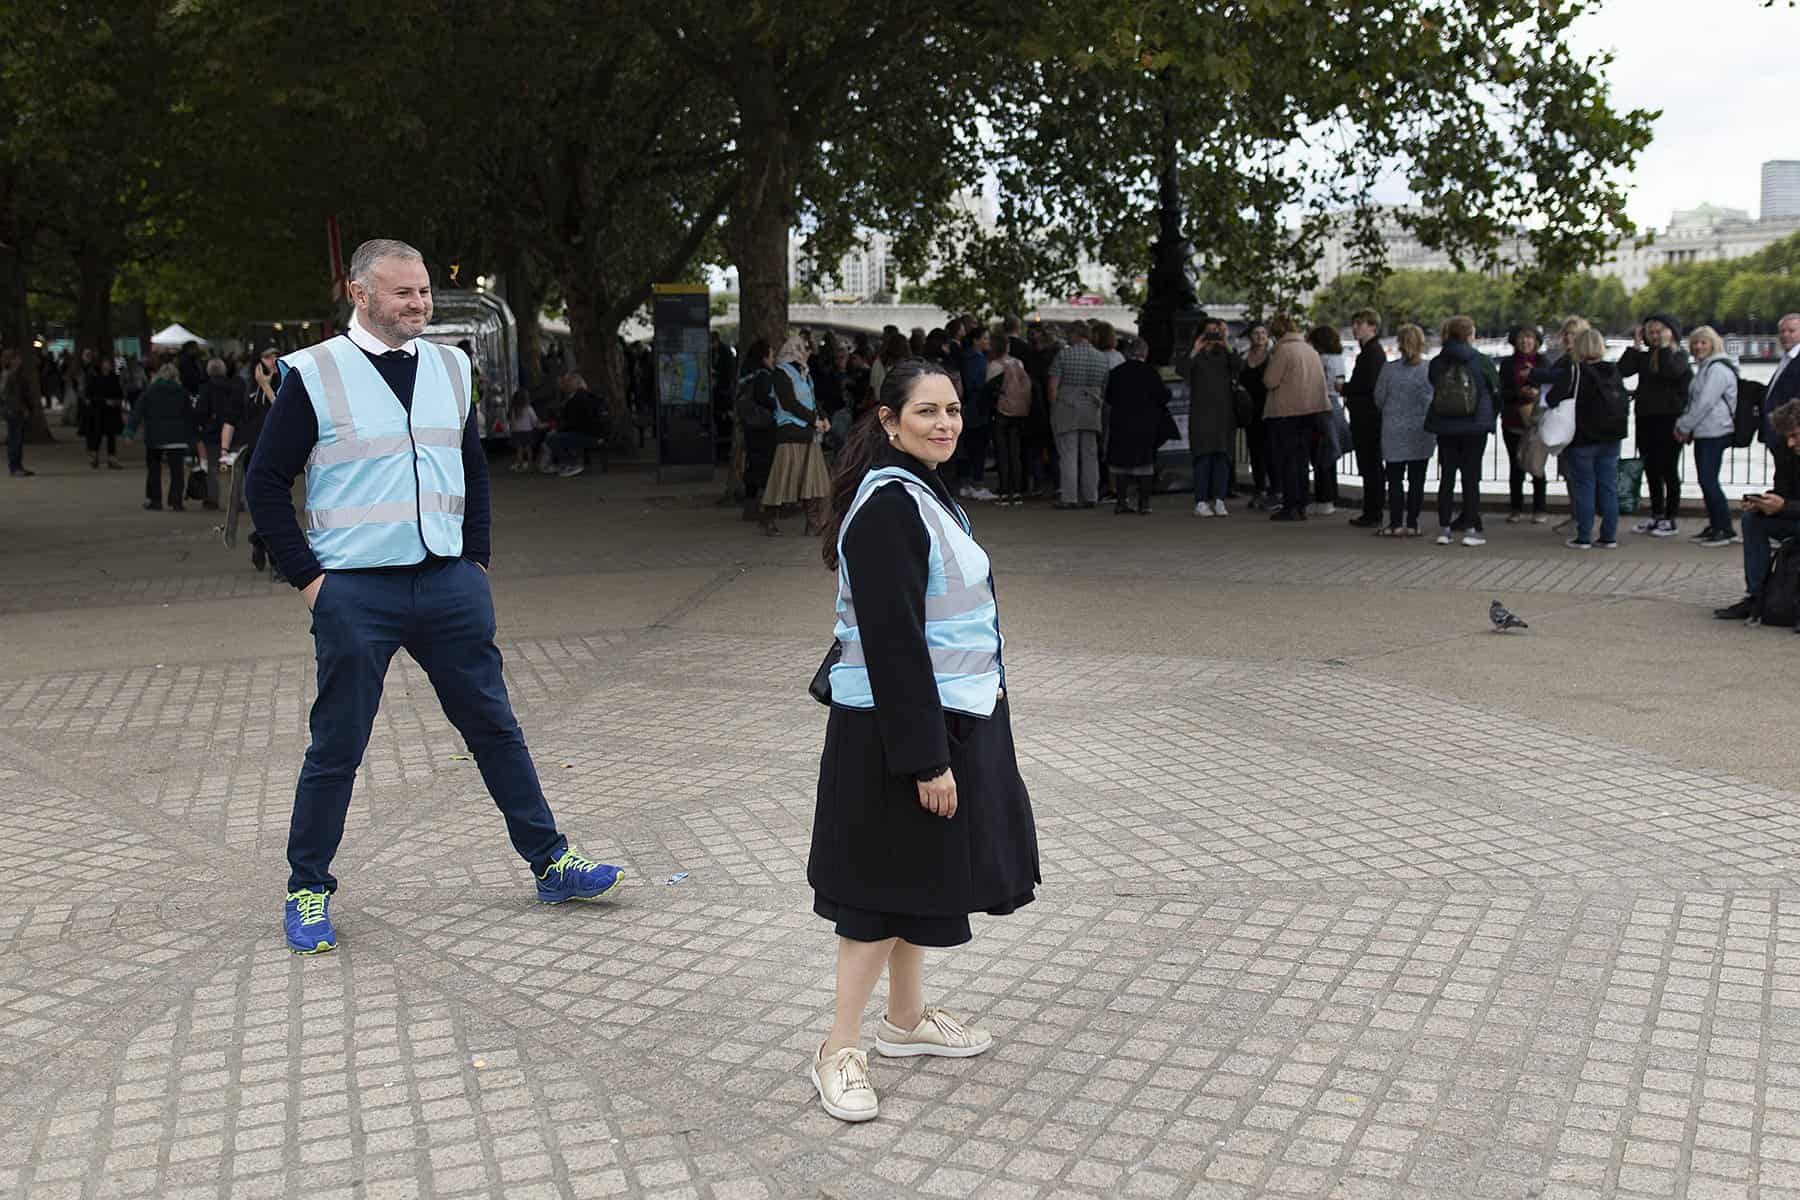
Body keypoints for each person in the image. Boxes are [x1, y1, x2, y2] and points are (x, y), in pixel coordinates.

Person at [245, 238, 622, 955]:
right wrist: (311, 582)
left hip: (448, 583)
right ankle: (306, 888)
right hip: (354, 591)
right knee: (338, 746)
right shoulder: (314, 373)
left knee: (495, 727)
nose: (419, 304)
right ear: (360, 295)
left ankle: (552, 863)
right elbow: (263, 483)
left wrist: (475, 561)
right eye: (402, 293)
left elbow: (471, 466)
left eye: (422, 292)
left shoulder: (451, 366)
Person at [807, 357, 1039, 1124]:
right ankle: (839, 1049)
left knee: (914, 879)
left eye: (953, 410)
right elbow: (896, 642)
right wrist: (927, 758)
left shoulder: (919, 492)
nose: (944, 424)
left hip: (945, 718)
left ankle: (904, 1023)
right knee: (875, 896)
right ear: (888, 419)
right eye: (926, 412)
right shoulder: (888, 509)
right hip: (896, 731)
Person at [1715, 398, 1800, 623]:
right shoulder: (1786, 451)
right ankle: (1756, 596)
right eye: (1787, 436)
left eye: (1795, 435)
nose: (1791, 443)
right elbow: (1783, 491)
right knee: (1753, 520)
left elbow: (1787, 502)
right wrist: (1763, 503)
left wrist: (1785, 506)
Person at [1546, 327, 1628, 550]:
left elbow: (1553, 398)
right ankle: (1608, 536)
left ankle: (1584, 536)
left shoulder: (1576, 373)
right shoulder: (1613, 371)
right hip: (1612, 437)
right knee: (1608, 486)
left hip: (1583, 437)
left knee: (1584, 486)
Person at [1424, 315, 1498, 547]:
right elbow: (1495, 390)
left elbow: (1433, 384)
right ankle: (1470, 530)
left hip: (1445, 426)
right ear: (1469, 335)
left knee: (1447, 477)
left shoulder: (1437, 362)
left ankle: (1444, 529)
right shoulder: (1482, 361)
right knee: (1471, 478)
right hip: (1474, 427)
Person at [1617, 315, 1691, 536]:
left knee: (1669, 468)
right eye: (1652, 332)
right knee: (1651, 468)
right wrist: (1636, 346)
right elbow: (1622, 370)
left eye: (1660, 331)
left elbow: (1671, 372)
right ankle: (1656, 514)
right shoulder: (1646, 356)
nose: (1656, 336)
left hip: (1669, 419)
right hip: (1647, 418)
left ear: (1671, 332)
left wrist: (1667, 347)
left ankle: (1671, 517)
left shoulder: (1679, 356)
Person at [1674, 325, 1740, 548]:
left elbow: (1705, 402)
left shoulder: (1717, 370)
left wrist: (1684, 425)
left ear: (1713, 343)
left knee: (1709, 480)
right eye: (1695, 343)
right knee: (1706, 480)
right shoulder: (1707, 368)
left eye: (1704, 342)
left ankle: (1725, 528)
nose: (1698, 347)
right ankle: (1716, 524)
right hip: (1706, 430)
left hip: (1715, 430)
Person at [762, 334, 832, 535]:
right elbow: (789, 403)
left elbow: (812, 398)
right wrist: (814, 420)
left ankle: (812, 523)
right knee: (781, 477)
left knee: (812, 477)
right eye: (805, 348)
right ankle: (769, 520)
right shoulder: (781, 373)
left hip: (808, 432)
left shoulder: (804, 372)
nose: (808, 352)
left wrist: (823, 417)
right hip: (790, 431)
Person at [1260, 315, 1328, 522]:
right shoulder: (1309, 349)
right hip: (1309, 411)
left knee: (1288, 459)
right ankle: (1302, 505)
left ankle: (1290, 506)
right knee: (1302, 459)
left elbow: (1270, 381)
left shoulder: (1283, 350)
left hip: (1286, 412)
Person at [222, 347, 282, 575]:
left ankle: (266, 548)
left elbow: (282, 412)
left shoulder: (283, 380)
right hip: (251, 455)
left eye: (276, 355)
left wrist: (266, 385)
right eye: (268, 356)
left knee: (274, 507)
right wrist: (224, 450)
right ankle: (269, 553)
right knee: (263, 507)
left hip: (277, 454)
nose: (273, 360)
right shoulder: (242, 386)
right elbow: (230, 420)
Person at [1374, 323, 1435, 537]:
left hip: (1393, 430)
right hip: (1421, 431)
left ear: (1399, 343)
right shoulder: (1429, 369)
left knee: (1395, 480)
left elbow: (1379, 399)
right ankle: (1413, 523)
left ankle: (1395, 523)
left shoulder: (1389, 370)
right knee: (1417, 480)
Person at [1104, 337, 1171, 515]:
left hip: (1121, 422)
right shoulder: (1151, 373)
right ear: (1145, 353)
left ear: (1127, 353)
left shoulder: (1116, 373)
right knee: (1144, 465)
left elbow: (1108, 397)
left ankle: (1121, 501)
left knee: (1121, 464)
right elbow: (1163, 397)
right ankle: (1144, 503)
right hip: (1145, 423)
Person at [1046, 321, 1107, 509]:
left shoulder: (1064, 355)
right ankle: (1091, 496)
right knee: (1090, 455)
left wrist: (1053, 407)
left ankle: (1069, 497)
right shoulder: (1101, 358)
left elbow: (1053, 387)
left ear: (1075, 334)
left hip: (1067, 407)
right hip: (1092, 409)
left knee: (1068, 455)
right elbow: (1104, 387)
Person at [1187, 323, 1239, 517]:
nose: (1212, 336)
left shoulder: (1224, 355)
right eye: (1208, 332)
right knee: (1202, 457)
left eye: (1215, 332)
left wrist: (1226, 344)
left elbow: (1238, 367)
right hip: (1201, 414)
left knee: (1222, 458)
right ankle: (1200, 500)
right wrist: (1195, 349)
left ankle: (1219, 499)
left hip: (1223, 414)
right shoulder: (1197, 355)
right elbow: (1182, 370)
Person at [127, 363, 196, 510]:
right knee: (177, 471)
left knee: (154, 468)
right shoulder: (182, 392)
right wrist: (192, 437)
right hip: (178, 437)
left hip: (155, 435)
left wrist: (130, 431)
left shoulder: (150, 391)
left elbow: (137, 411)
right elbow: (190, 416)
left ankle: (155, 499)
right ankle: (176, 501)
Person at [1498, 326, 1548, 523]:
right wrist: (1520, 394)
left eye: (1529, 337)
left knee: (1537, 465)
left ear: (1536, 341)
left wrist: (1536, 392)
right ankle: (1516, 508)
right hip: (1513, 420)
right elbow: (1502, 392)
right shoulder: (1508, 364)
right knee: (1515, 465)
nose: (1526, 341)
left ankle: (1539, 509)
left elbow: (1551, 389)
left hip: (1537, 422)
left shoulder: (1544, 363)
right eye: (1522, 338)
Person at [1342, 310, 1387, 527]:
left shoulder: (1372, 353)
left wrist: (1345, 388)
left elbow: (1367, 385)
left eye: (1360, 323)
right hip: (1367, 417)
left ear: (1372, 327)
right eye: (1355, 323)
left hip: (1368, 418)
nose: (1355, 327)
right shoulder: (1370, 352)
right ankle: (1372, 509)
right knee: (1371, 464)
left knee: (1371, 464)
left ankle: (1373, 510)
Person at [986, 327, 1031, 506]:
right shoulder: (1018, 363)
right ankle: (1017, 491)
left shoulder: (994, 366)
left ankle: (1004, 492)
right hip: (1019, 411)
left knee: (1002, 452)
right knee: (1015, 452)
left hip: (1001, 412)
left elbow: (987, 390)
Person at [1307, 325, 1346, 516]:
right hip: (1335, 405)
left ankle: (1324, 497)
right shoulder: (1339, 359)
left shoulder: (1318, 360)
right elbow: (1340, 383)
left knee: (1320, 453)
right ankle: (1331, 496)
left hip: (1320, 405)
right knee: (1330, 452)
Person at [192, 358, 240, 509]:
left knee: (212, 468)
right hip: (232, 430)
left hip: (212, 431)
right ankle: (239, 500)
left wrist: (201, 424)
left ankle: (212, 498)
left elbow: (201, 411)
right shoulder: (233, 386)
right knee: (237, 468)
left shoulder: (205, 388)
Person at [956, 326, 996, 501]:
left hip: (970, 407)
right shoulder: (976, 359)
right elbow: (976, 384)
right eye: (985, 338)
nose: (988, 341)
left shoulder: (967, 357)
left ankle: (966, 483)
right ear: (976, 340)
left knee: (968, 447)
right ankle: (977, 484)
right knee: (977, 447)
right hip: (977, 407)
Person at [1239, 324, 1273, 508]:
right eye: (1256, 333)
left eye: (1263, 333)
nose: (1260, 337)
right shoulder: (1244, 357)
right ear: (1250, 336)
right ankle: (1260, 488)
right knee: (1254, 451)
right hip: (1249, 410)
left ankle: (1273, 489)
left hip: (1268, 408)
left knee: (1269, 450)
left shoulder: (1273, 357)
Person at [545, 372, 601, 477]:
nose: (565, 385)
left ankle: (572, 463)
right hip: (586, 432)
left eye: (568, 382)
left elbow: (576, 420)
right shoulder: (579, 396)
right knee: (554, 436)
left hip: (587, 434)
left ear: (575, 383)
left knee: (553, 438)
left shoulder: (579, 398)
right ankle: (565, 463)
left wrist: (559, 429)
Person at [84, 357, 126, 470]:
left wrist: (117, 401)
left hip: (112, 411)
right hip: (98, 411)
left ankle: (111, 458)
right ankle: (94, 456)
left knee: (111, 435)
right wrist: (103, 401)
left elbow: (119, 393)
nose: (107, 366)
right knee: (97, 434)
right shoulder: (94, 378)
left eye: (109, 364)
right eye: (105, 363)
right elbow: (89, 396)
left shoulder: (114, 378)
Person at [2, 348, 31, 478]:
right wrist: (21, 407)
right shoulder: (9, 375)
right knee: (15, 440)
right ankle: (15, 468)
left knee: (17, 439)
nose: (20, 360)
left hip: (14, 409)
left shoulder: (14, 374)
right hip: (13, 410)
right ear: (12, 360)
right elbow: (9, 395)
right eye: (17, 358)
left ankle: (17, 466)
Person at [507, 388, 542, 472]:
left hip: (516, 432)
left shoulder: (513, 409)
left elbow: (510, 421)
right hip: (527, 431)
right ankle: (530, 465)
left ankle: (519, 465)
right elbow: (534, 420)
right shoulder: (528, 408)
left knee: (519, 450)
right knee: (528, 449)